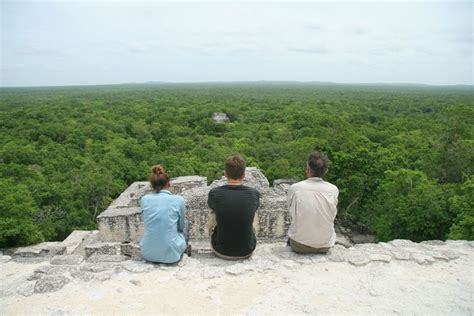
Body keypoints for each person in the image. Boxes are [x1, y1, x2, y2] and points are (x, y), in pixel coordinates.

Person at [207, 155, 260, 260]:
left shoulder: (215, 193)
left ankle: (219, 238)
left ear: (225, 174)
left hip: (220, 250)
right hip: (247, 251)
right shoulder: (254, 193)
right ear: (244, 175)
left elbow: (212, 207)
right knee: (252, 212)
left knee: (214, 212)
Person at [287, 151, 339, 254]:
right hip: (325, 245)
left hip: (299, 245)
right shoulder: (333, 190)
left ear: (308, 170)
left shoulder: (295, 189)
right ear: (325, 171)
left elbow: (291, 213)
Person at [140, 165, 190, 264]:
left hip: (147, 253)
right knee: (186, 222)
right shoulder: (178, 200)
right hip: (172, 256)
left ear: (152, 185)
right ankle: (184, 251)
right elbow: (180, 227)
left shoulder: (144, 199)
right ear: (169, 184)